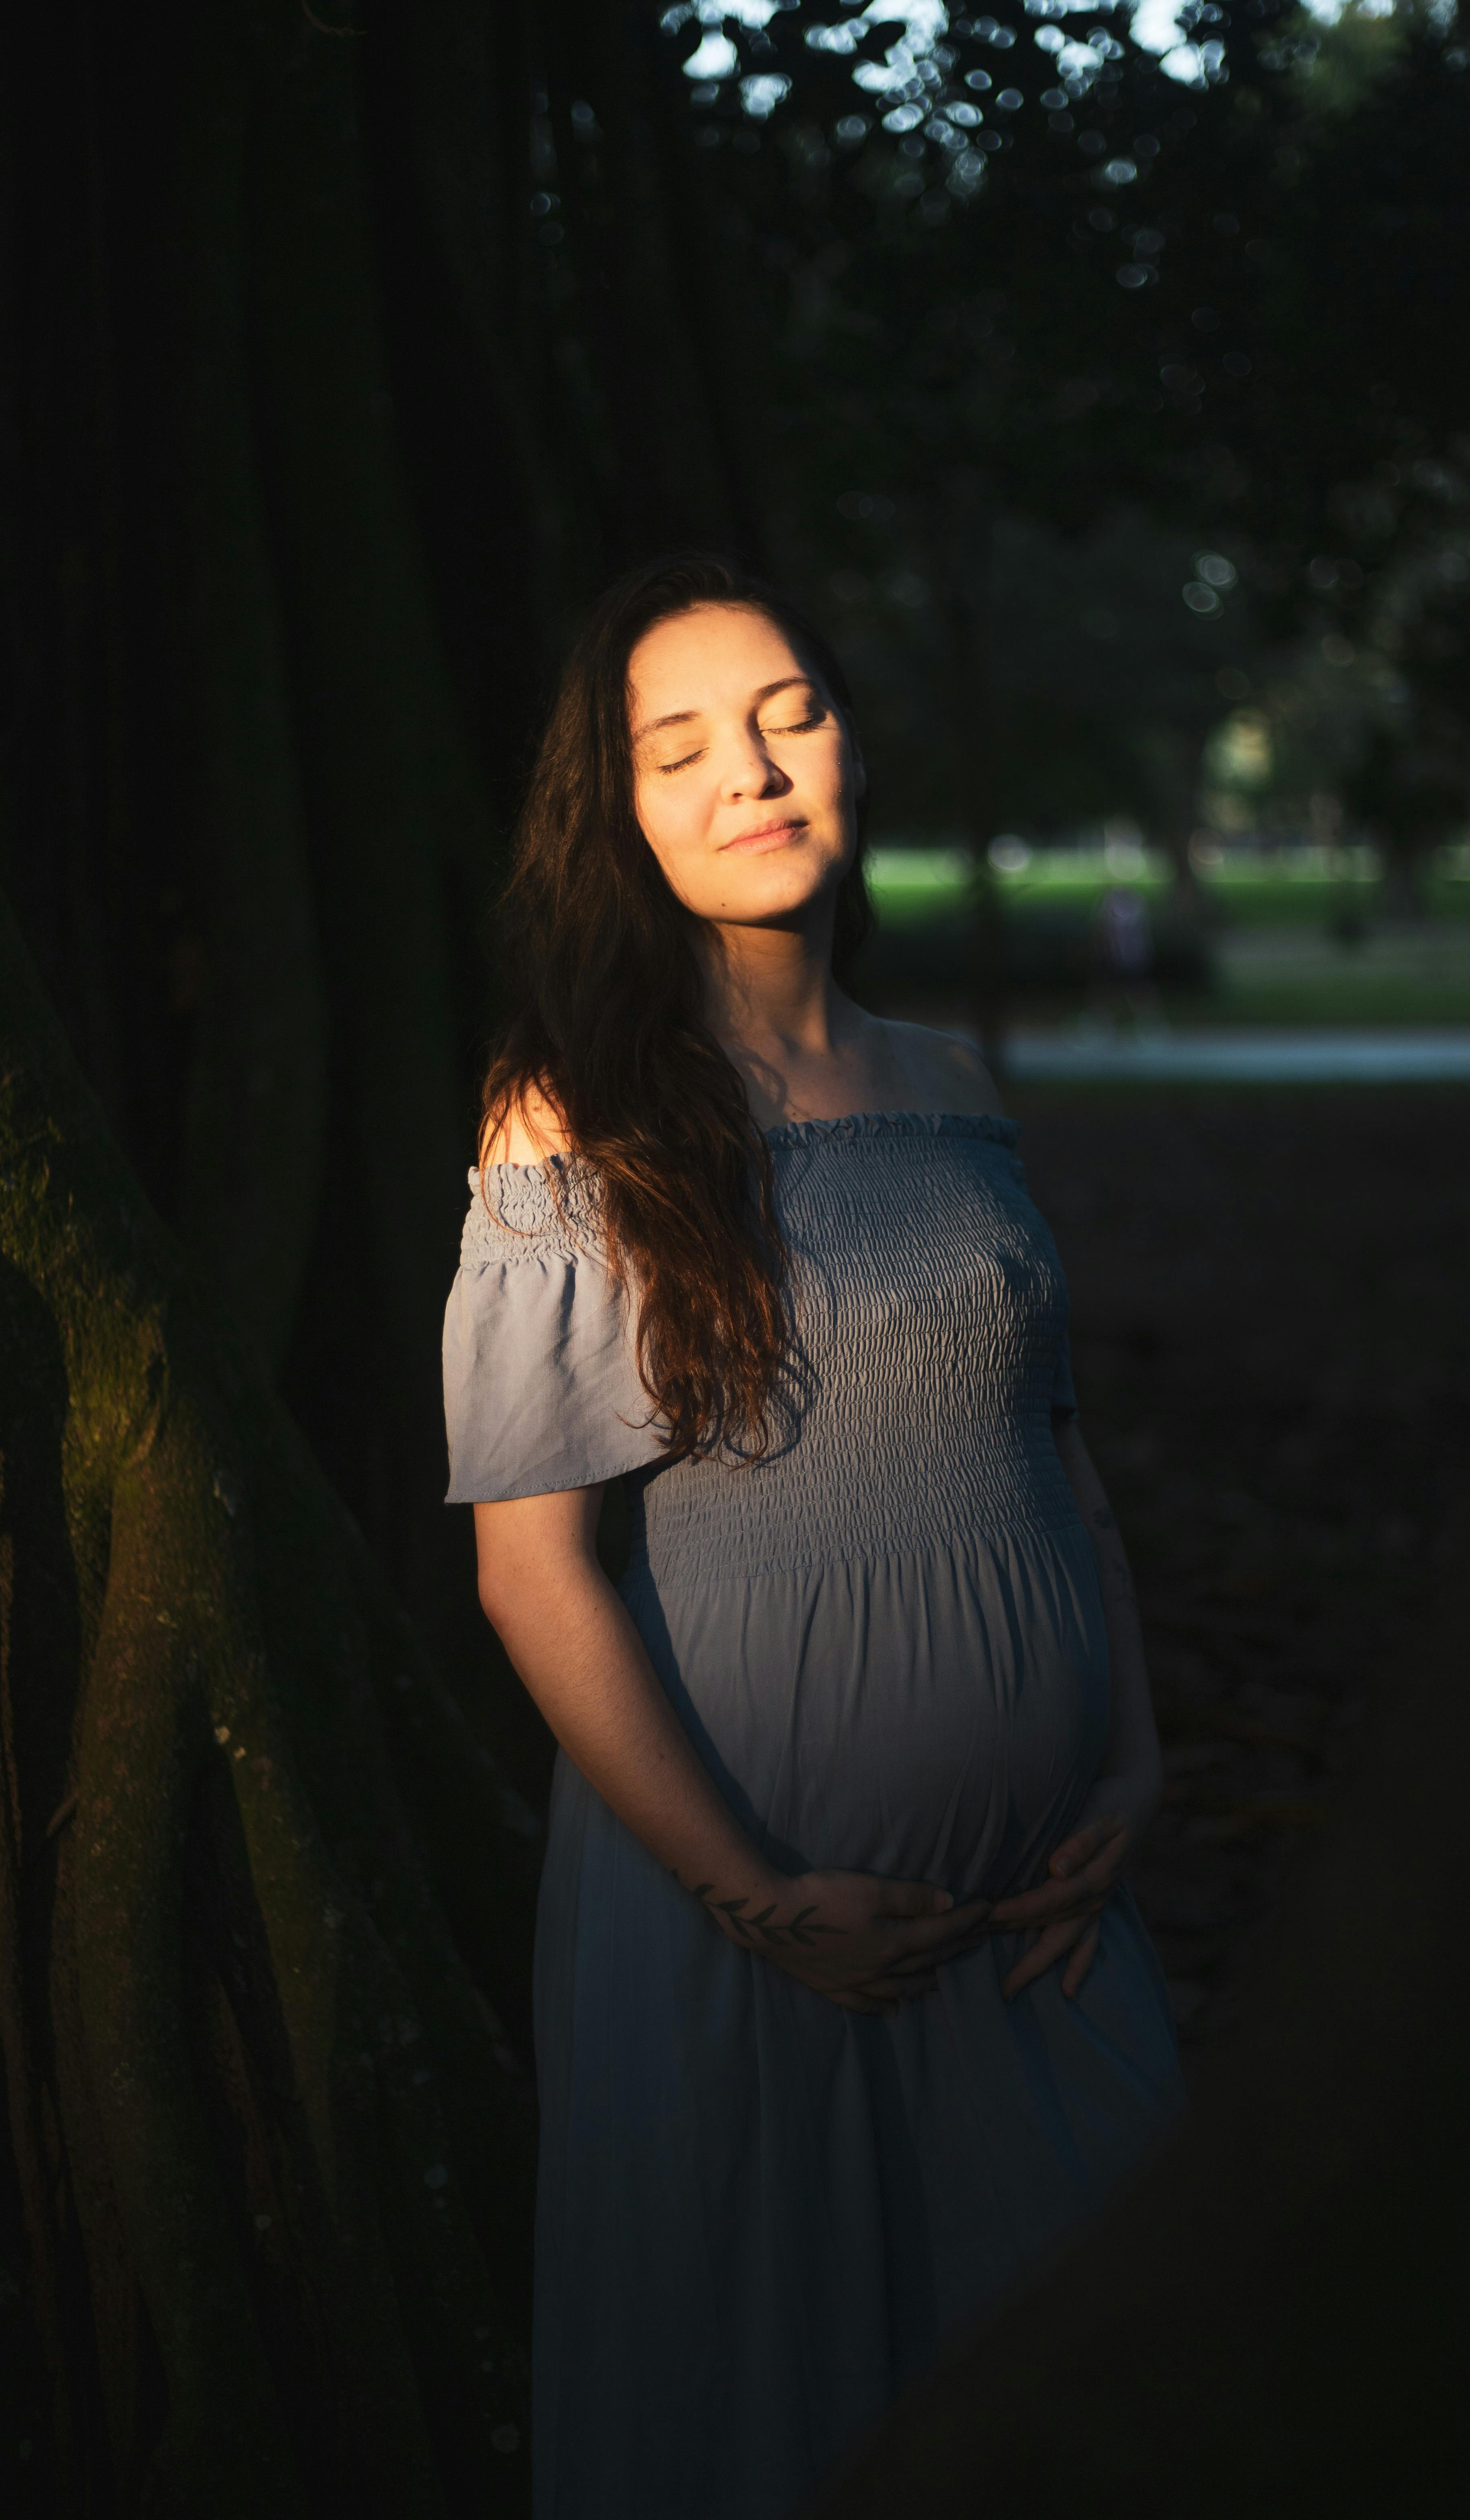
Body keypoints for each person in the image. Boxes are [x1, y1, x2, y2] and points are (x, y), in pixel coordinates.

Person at [443, 554, 1182, 2520]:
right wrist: (758, 1900)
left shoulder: (950, 1084)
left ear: (846, 750)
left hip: (1039, 1922)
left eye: (786, 717)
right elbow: (534, 1572)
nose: (749, 772)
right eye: (676, 748)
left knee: (1083, 2391)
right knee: (776, 2428)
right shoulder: (569, 1117)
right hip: (752, 1932)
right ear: (618, 817)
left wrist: (1131, 1758)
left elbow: (1058, 1465)